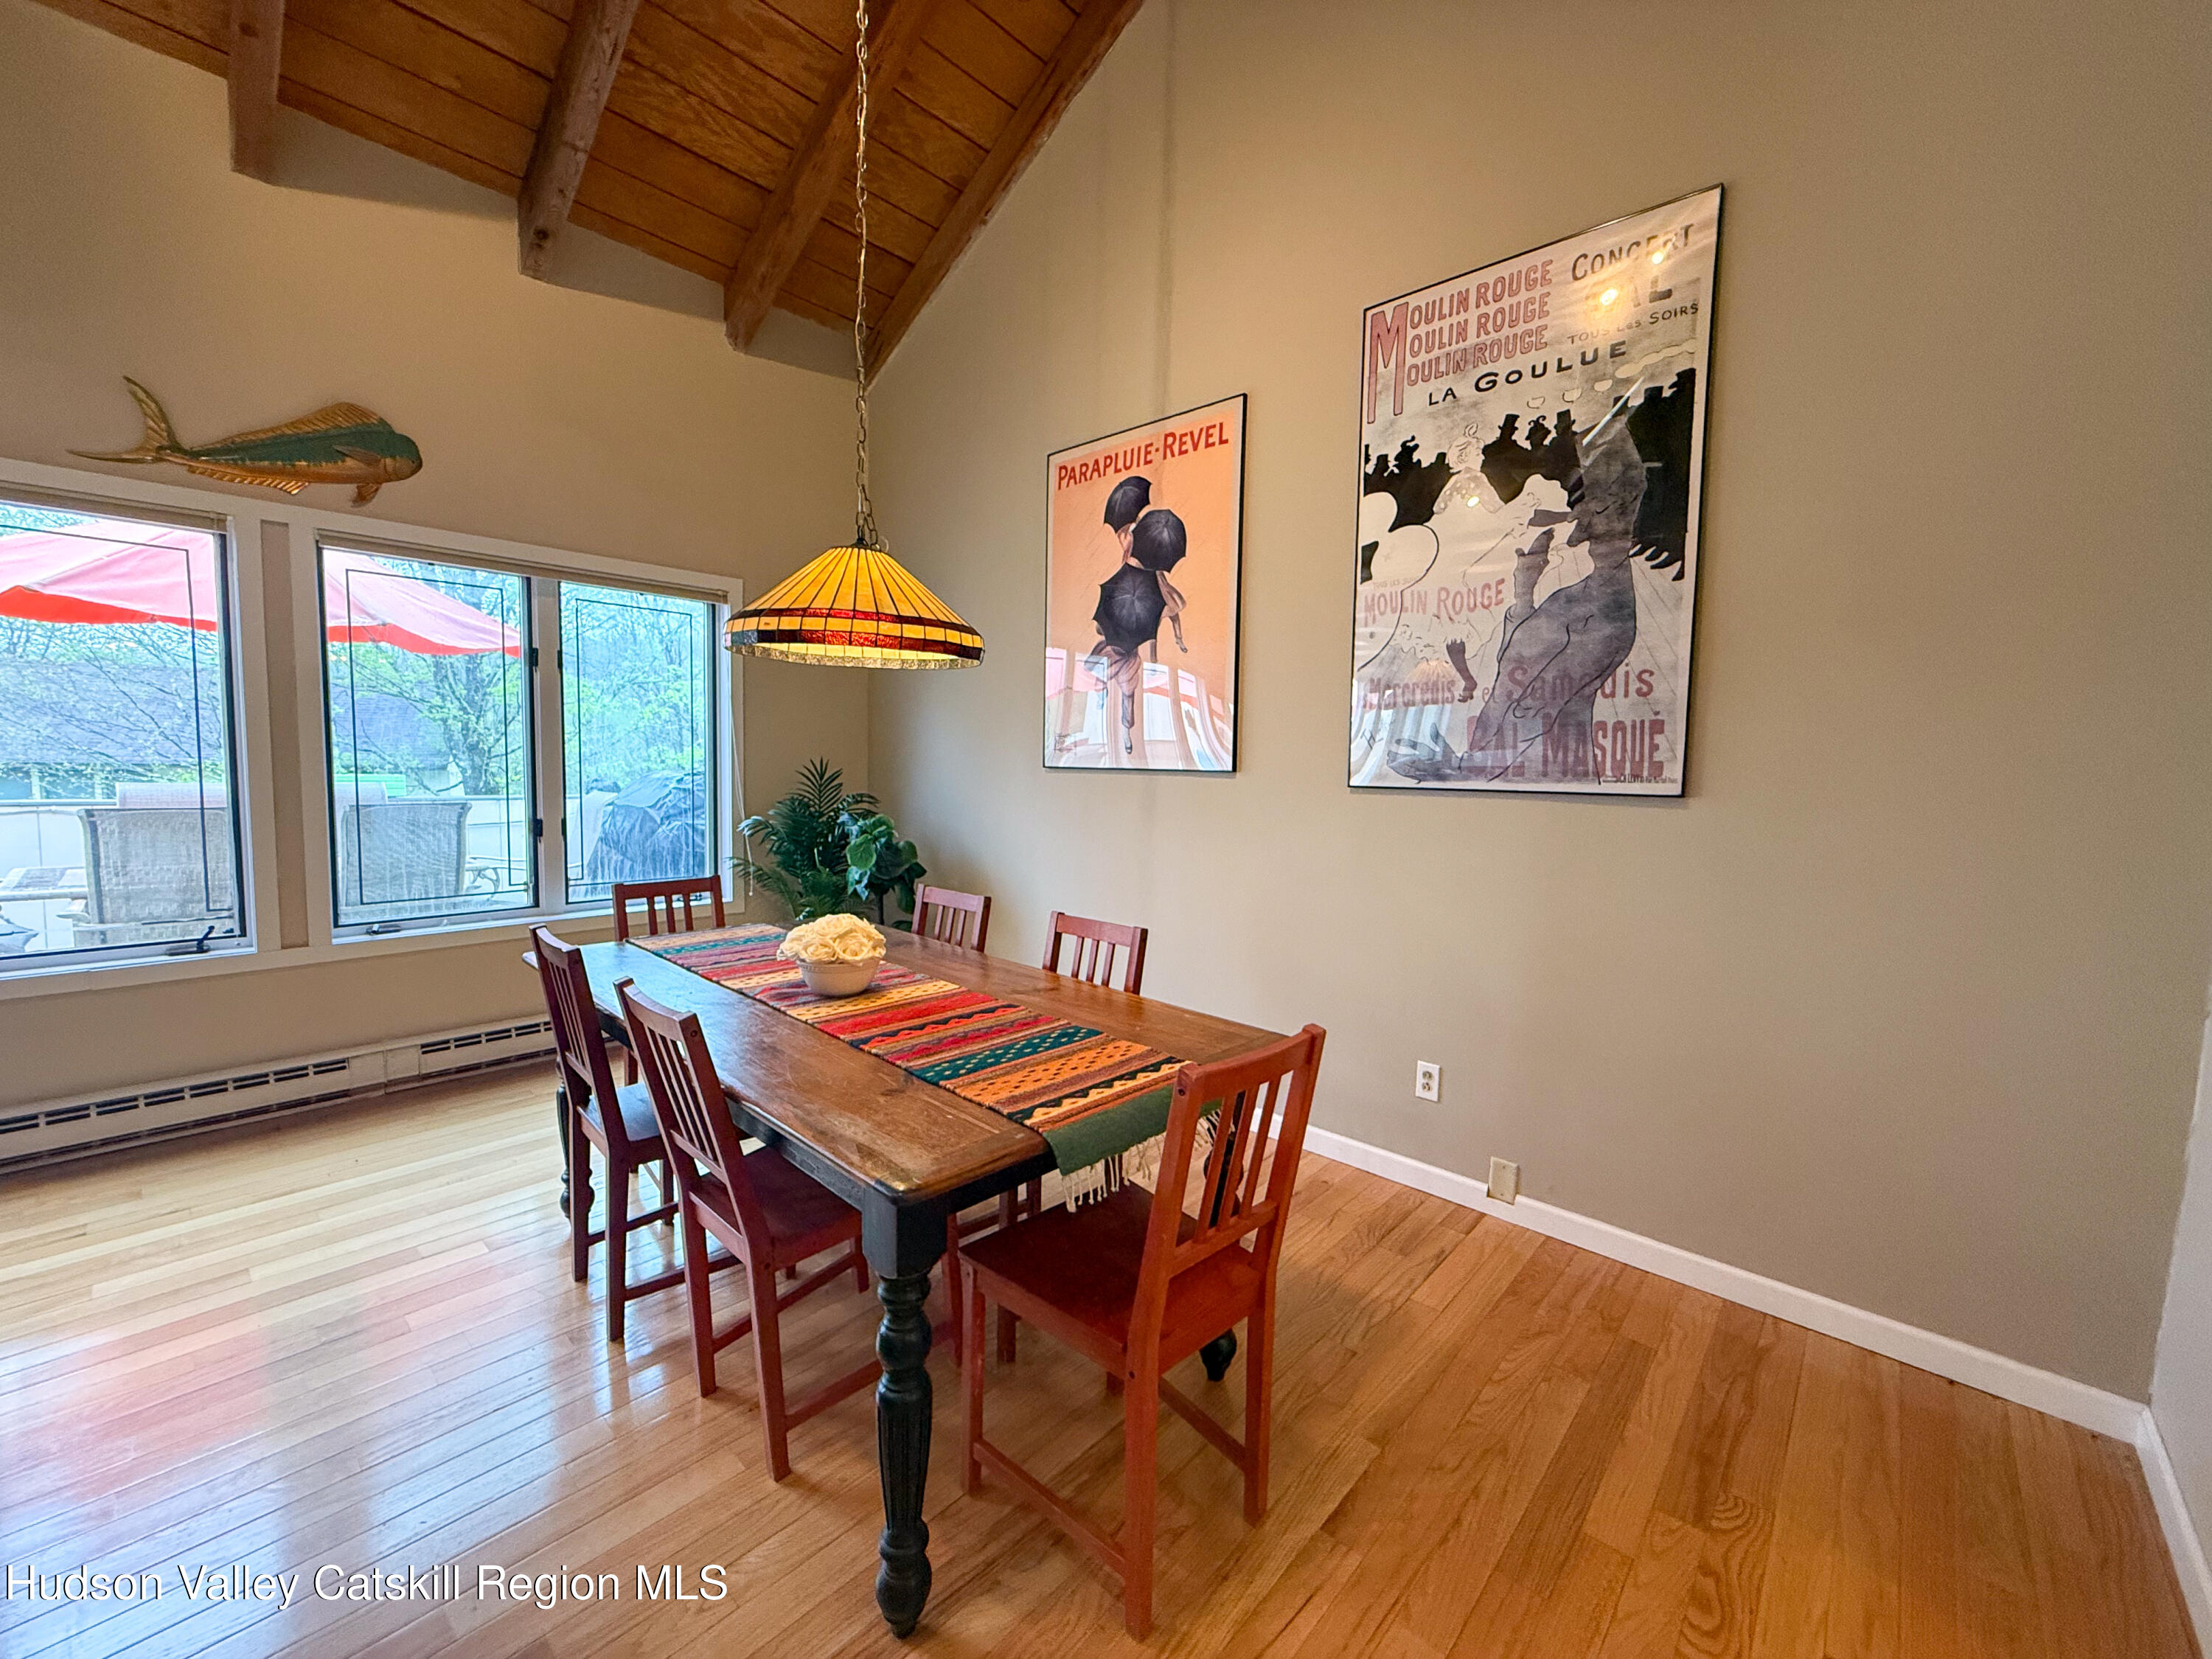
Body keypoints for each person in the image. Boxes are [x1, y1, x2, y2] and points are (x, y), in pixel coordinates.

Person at [1087, 490, 1190, 756]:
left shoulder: (1149, 579)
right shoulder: (1132, 556)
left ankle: (1125, 731)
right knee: (1113, 682)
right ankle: (1112, 710)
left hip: (1129, 633)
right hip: (1122, 634)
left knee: (1127, 694)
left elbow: (1169, 609)